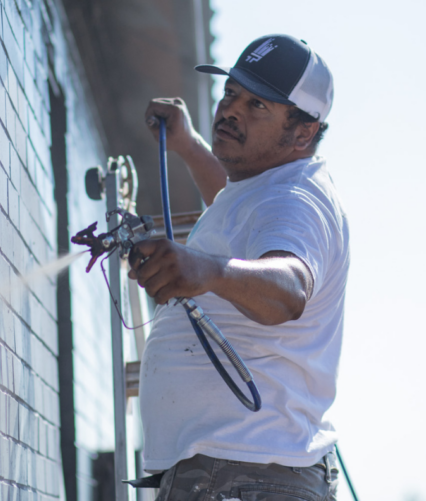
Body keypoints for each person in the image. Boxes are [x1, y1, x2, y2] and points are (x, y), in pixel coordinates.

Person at [130, 34, 349, 501]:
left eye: (257, 106)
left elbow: (288, 288)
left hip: (243, 478)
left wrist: (206, 270)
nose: (231, 110)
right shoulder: (266, 188)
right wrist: (188, 145)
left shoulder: (295, 200)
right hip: (241, 476)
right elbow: (237, 217)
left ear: (303, 132)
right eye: (231, 93)